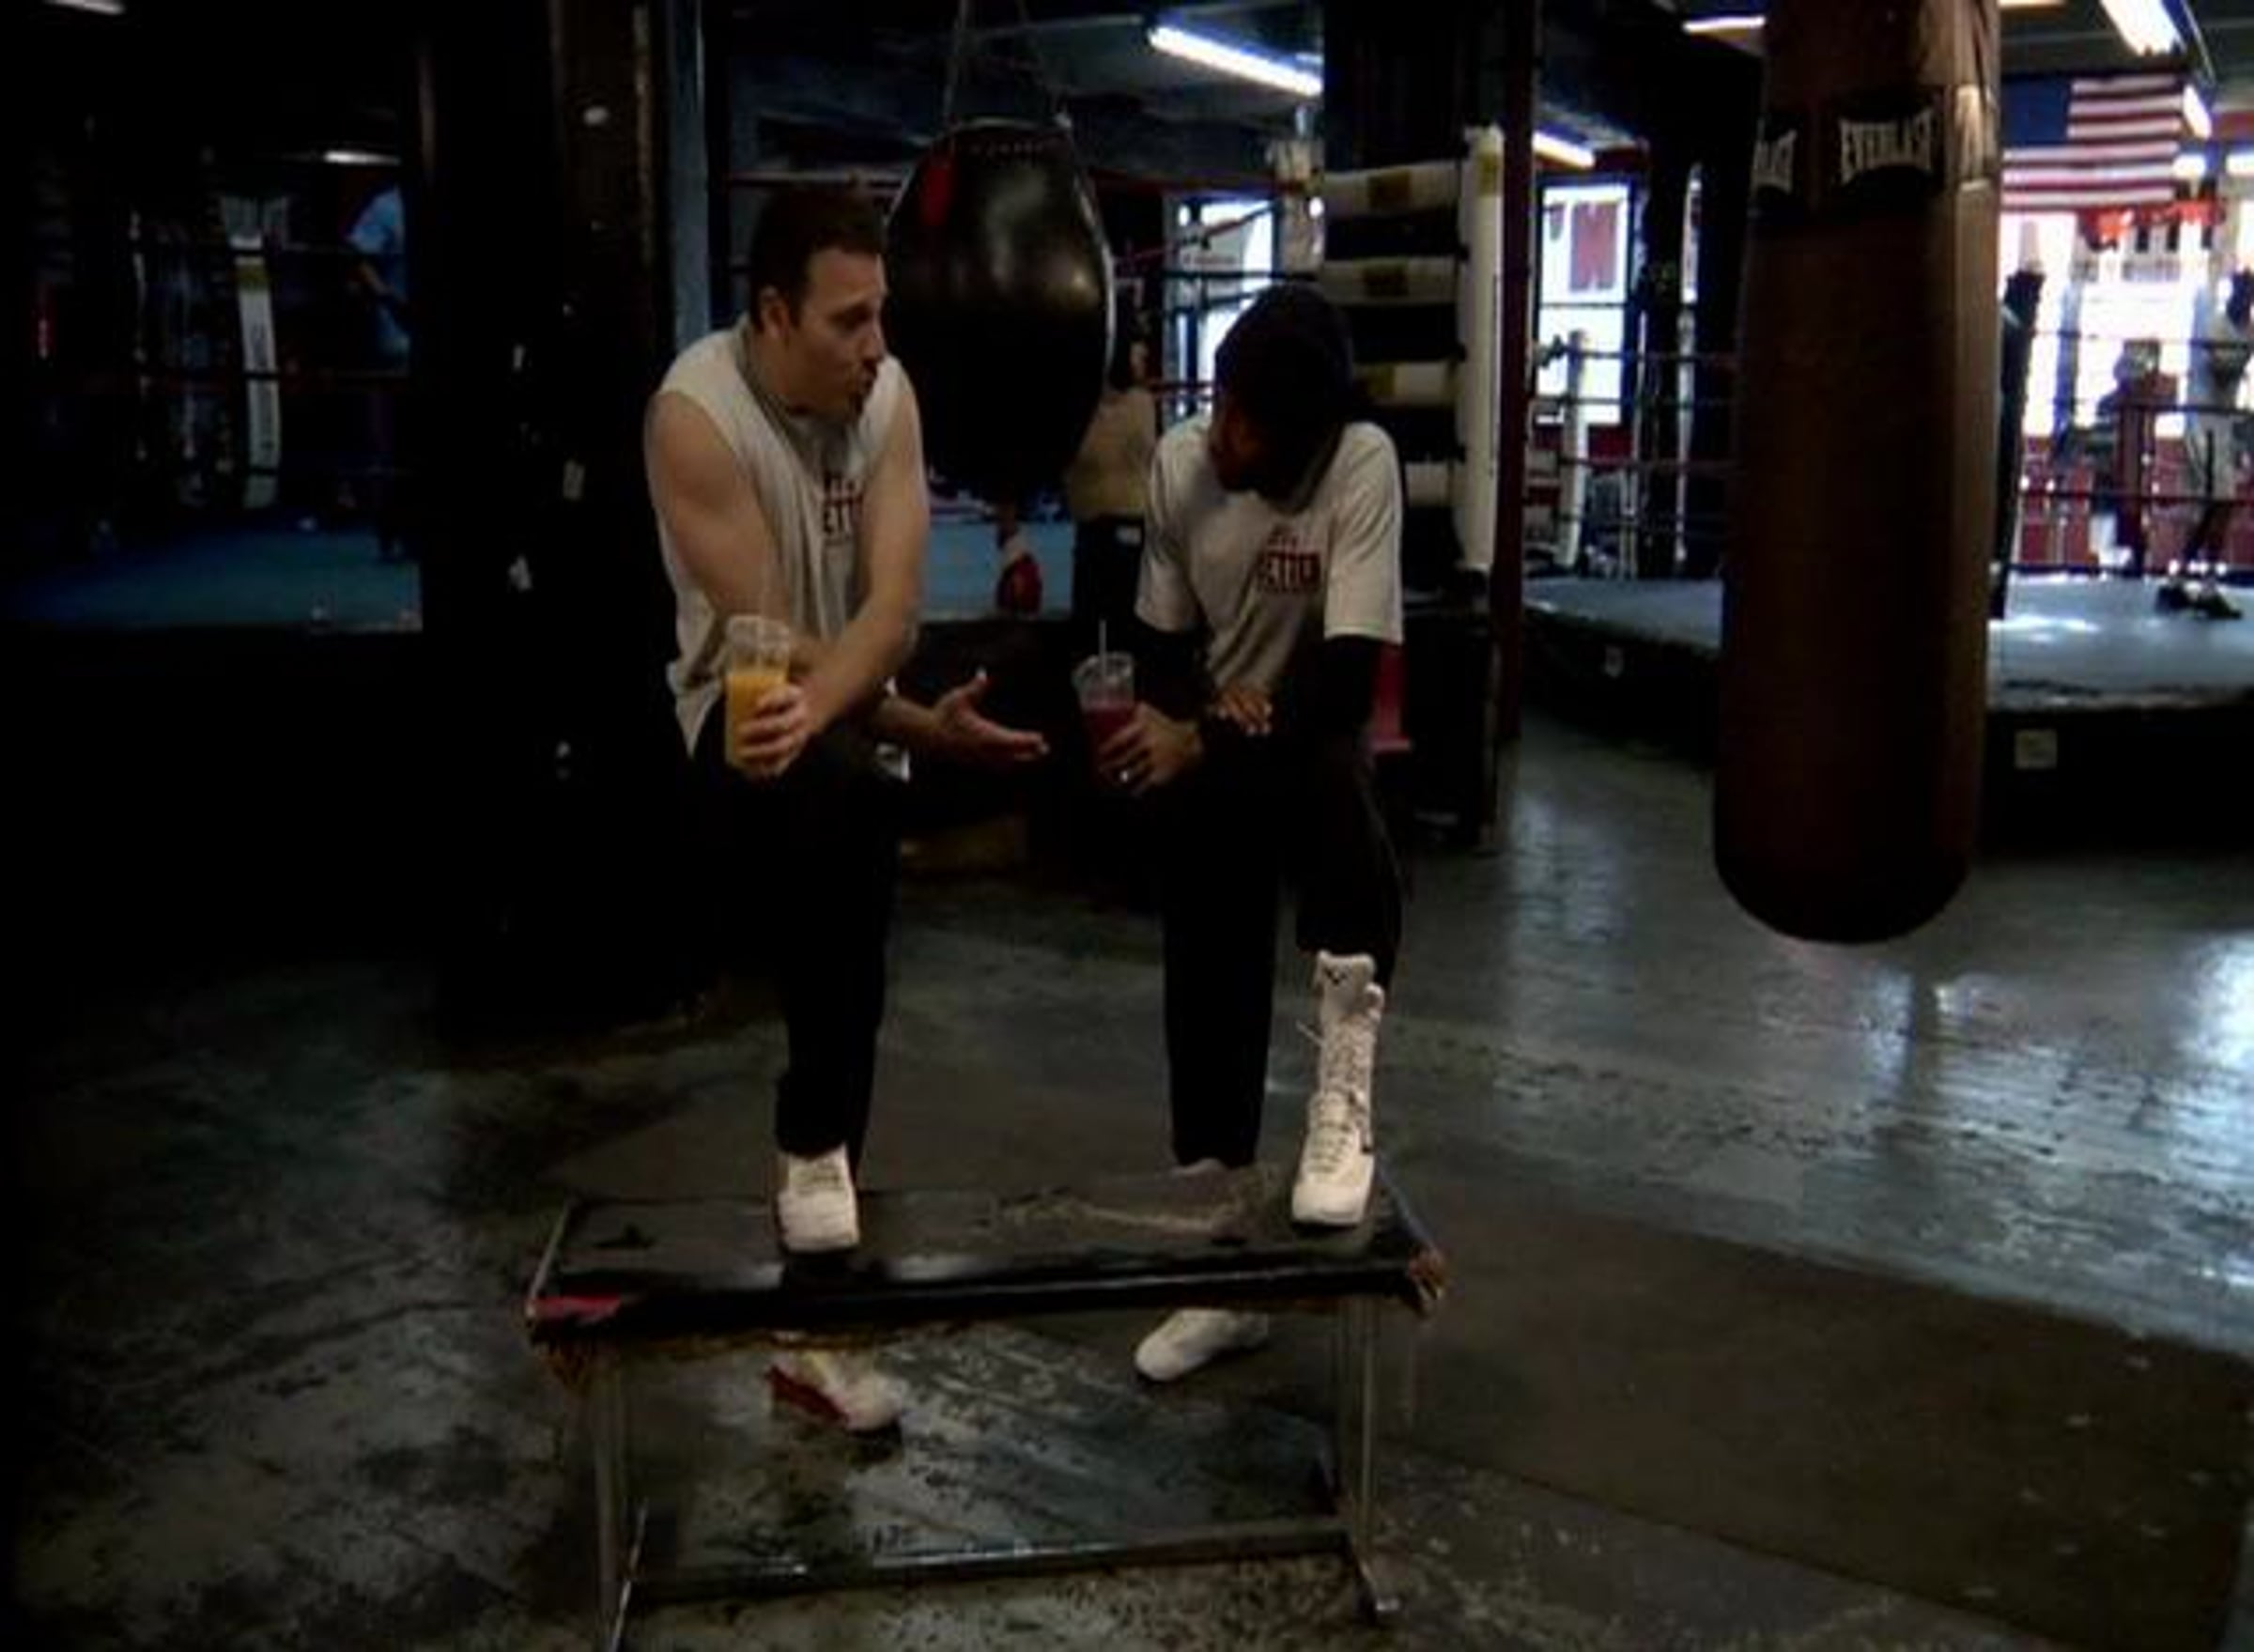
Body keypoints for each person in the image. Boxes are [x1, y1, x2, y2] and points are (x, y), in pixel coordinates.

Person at [644, 187, 1047, 1430]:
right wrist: (894, 723)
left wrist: (902, 723)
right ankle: (814, 1153)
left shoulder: (889, 397)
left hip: (834, 720)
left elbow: (893, 616)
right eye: (847, 320)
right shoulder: (695, 415)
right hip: (734, 720)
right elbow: (776, 638)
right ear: (774, 315)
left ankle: (815, 1277)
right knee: (836, 803)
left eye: (881, 314)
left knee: (853, 827)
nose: (875, 344)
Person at [1097, 284, 1404, 1383]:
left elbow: (1346, 682)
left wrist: (1223, 729)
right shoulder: (1184, 465)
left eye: (1251, 424)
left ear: (1306, 439)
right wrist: (1201, 717)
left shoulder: (1360, 465)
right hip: (1223, 744)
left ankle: (1343, 1098)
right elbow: (1159, 653)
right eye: (1221, 404)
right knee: (1206, 959)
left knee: (1338, 788)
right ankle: (1218, 1267)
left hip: (1303, 742)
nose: (1223, 434)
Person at [1062, 316, 1159, 635]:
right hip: (1109, 533)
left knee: (1104, 631)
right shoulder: (1086, 406)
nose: (1144, 355)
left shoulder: (1138, 404)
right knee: (1107, 631)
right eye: (1137, 348)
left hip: (1119, 532)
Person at [2165, 269, 2250, 619]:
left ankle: (2179, 579)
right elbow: (2222, 369)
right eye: (2244, 292)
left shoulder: (2242, 329)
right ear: (2235, 293)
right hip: (2206, 424)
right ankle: (2208, 586)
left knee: (2213, 508)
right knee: (2221, 503)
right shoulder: (2216, 326)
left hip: (2220, 423)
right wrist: (2248, 347)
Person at [347, 181, 411, 560]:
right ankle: (392, 525)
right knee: (396, 437)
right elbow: (357, 257)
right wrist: (387, 298)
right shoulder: (388, 206)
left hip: (413, 336)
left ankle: (407, 526)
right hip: (398, 337)